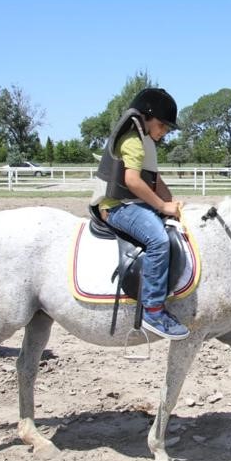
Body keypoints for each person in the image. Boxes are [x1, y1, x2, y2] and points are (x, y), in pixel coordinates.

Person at [90, 88, 189, 340]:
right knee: (158, 239)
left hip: (132, 203)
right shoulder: (132, 139)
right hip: (117, 206)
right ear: (147, 116)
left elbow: (154, 181)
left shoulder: (146, 142)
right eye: (162, 125)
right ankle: (153, 310)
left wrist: (171, 202)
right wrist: (162, 206)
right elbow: (132, 181)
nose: (164, 131)